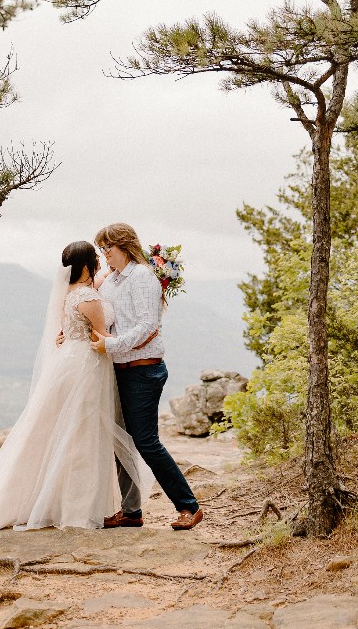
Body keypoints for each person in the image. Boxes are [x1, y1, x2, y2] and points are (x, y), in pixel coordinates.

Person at [0, 241, 152, 532]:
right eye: (96, 258)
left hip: (70, 361)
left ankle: (63, 503)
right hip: (88, 366)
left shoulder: (71, 292)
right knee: (83, 434)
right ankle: (78, 509)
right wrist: (142, 342)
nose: (100, 261)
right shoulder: (88, 297)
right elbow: (102, 338)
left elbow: (83, 308)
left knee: (69, 432)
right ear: (87, 264)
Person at [93, 222, 203, 531]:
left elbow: (147, 325)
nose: (105, 253)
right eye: (102, 248)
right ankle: (131, 512)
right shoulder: (112, 281)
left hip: (144, 370)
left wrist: (111, 345)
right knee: (121, 441)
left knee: (145, 441)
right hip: (119, 369)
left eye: (108, 247)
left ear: (125, 245)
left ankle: (189, 506)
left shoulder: (142, 277)